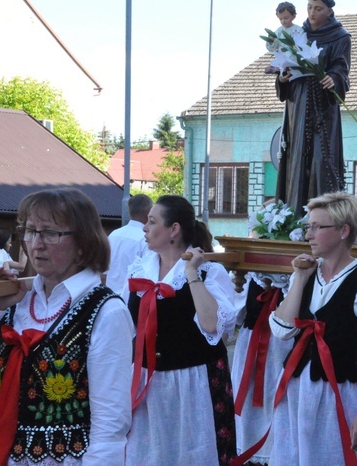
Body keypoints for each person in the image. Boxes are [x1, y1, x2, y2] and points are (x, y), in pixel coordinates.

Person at [0, 188, 134, 464]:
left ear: (83, 243)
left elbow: (111, 424)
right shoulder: (17, 302)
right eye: (30, 230)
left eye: (50, 233)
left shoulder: (105, 311)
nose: (36, 243)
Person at [269, 192, 357, 465]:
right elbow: (281, 330)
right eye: (308, 226)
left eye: (316, 227)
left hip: (335, 391)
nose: (308, 234)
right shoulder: (308, 273)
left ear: (344, 231)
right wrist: (299, 277)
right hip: (296, 388)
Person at [125, 195, 237, 465]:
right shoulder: (140, 270)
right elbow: (125, 325)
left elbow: (212, 325)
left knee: (194, 453)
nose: (144, 228)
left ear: (173, 230)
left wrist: (191, 273)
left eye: (152, 222)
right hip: (147, 383)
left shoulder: (210, 272)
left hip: (194, 382)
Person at [275, 0, 350, 217]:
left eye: (318, 9)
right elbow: (283, 63)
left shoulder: (340, 37)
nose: (312, 13)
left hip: (322, 107)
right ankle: (293, 216)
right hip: (297, 105)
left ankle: (324, 217)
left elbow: (341, 67)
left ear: (329, 11)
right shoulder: (297, 34)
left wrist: (334, 78)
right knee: (296, 160)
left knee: (321, 160)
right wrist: (282, 77)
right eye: (309, 7)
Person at [231, 272, 293, 465]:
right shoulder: (250, 276)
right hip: (251, 347)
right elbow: (234, 317)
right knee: (249, 403)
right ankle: (248, 451)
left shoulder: (301, 278)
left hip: (286, 349)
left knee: (280, 402)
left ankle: (277, 453)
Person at [105, 194, 153, 292]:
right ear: (149, 210)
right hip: (131, 298)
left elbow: (103, 273)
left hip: (109, 296)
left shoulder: (113, 235)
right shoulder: (145, 238)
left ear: (129, 211)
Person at [264, 1, 305, 73]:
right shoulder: (278, 32)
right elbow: (272, 48)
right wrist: (271, 41)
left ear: (293, 16)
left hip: (295, 59)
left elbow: (303, 45)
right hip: (282, 60)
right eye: (280, 19)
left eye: (286, 18)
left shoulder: (298, 30)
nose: (283, 21)